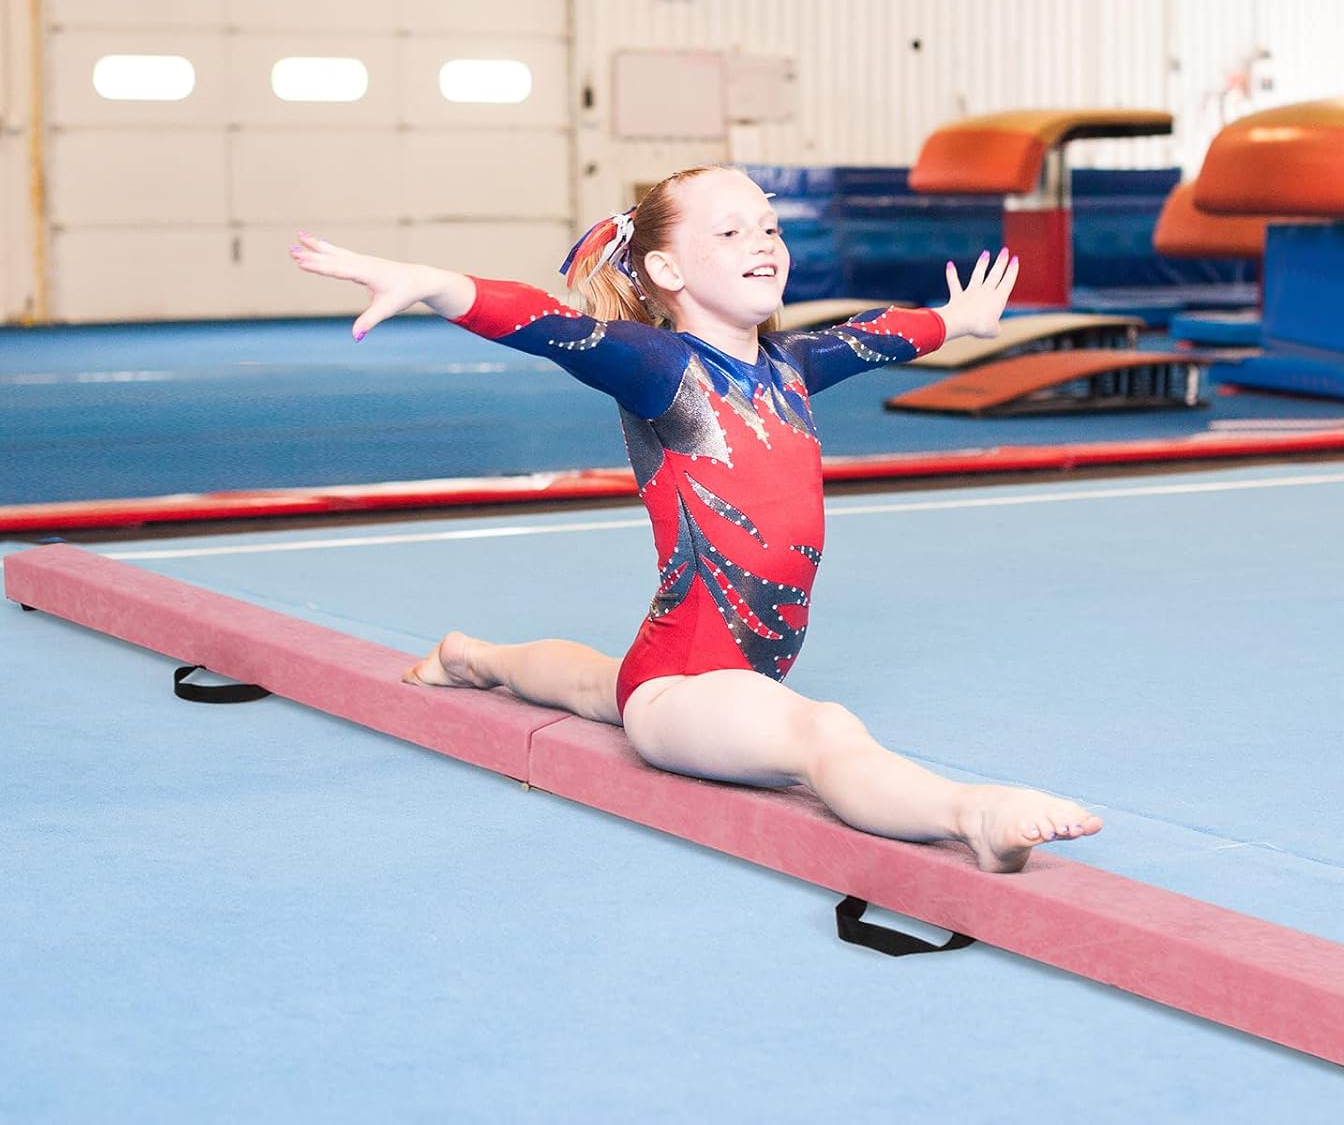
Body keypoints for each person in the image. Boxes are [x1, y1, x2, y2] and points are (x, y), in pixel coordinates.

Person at [290, 164, 1101, 873]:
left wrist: (957, 322)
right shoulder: (660, 368)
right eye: (733, 229)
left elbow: (874, 337)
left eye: (772, 226)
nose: (764, 242)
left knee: (588, 681)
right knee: (822, 734)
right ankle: (973, 817)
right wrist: (436, 284)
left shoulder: (788, 365)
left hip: (672, 657)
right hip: (688, 690)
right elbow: (549, 326)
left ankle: (473, 658)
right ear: (666, 268)